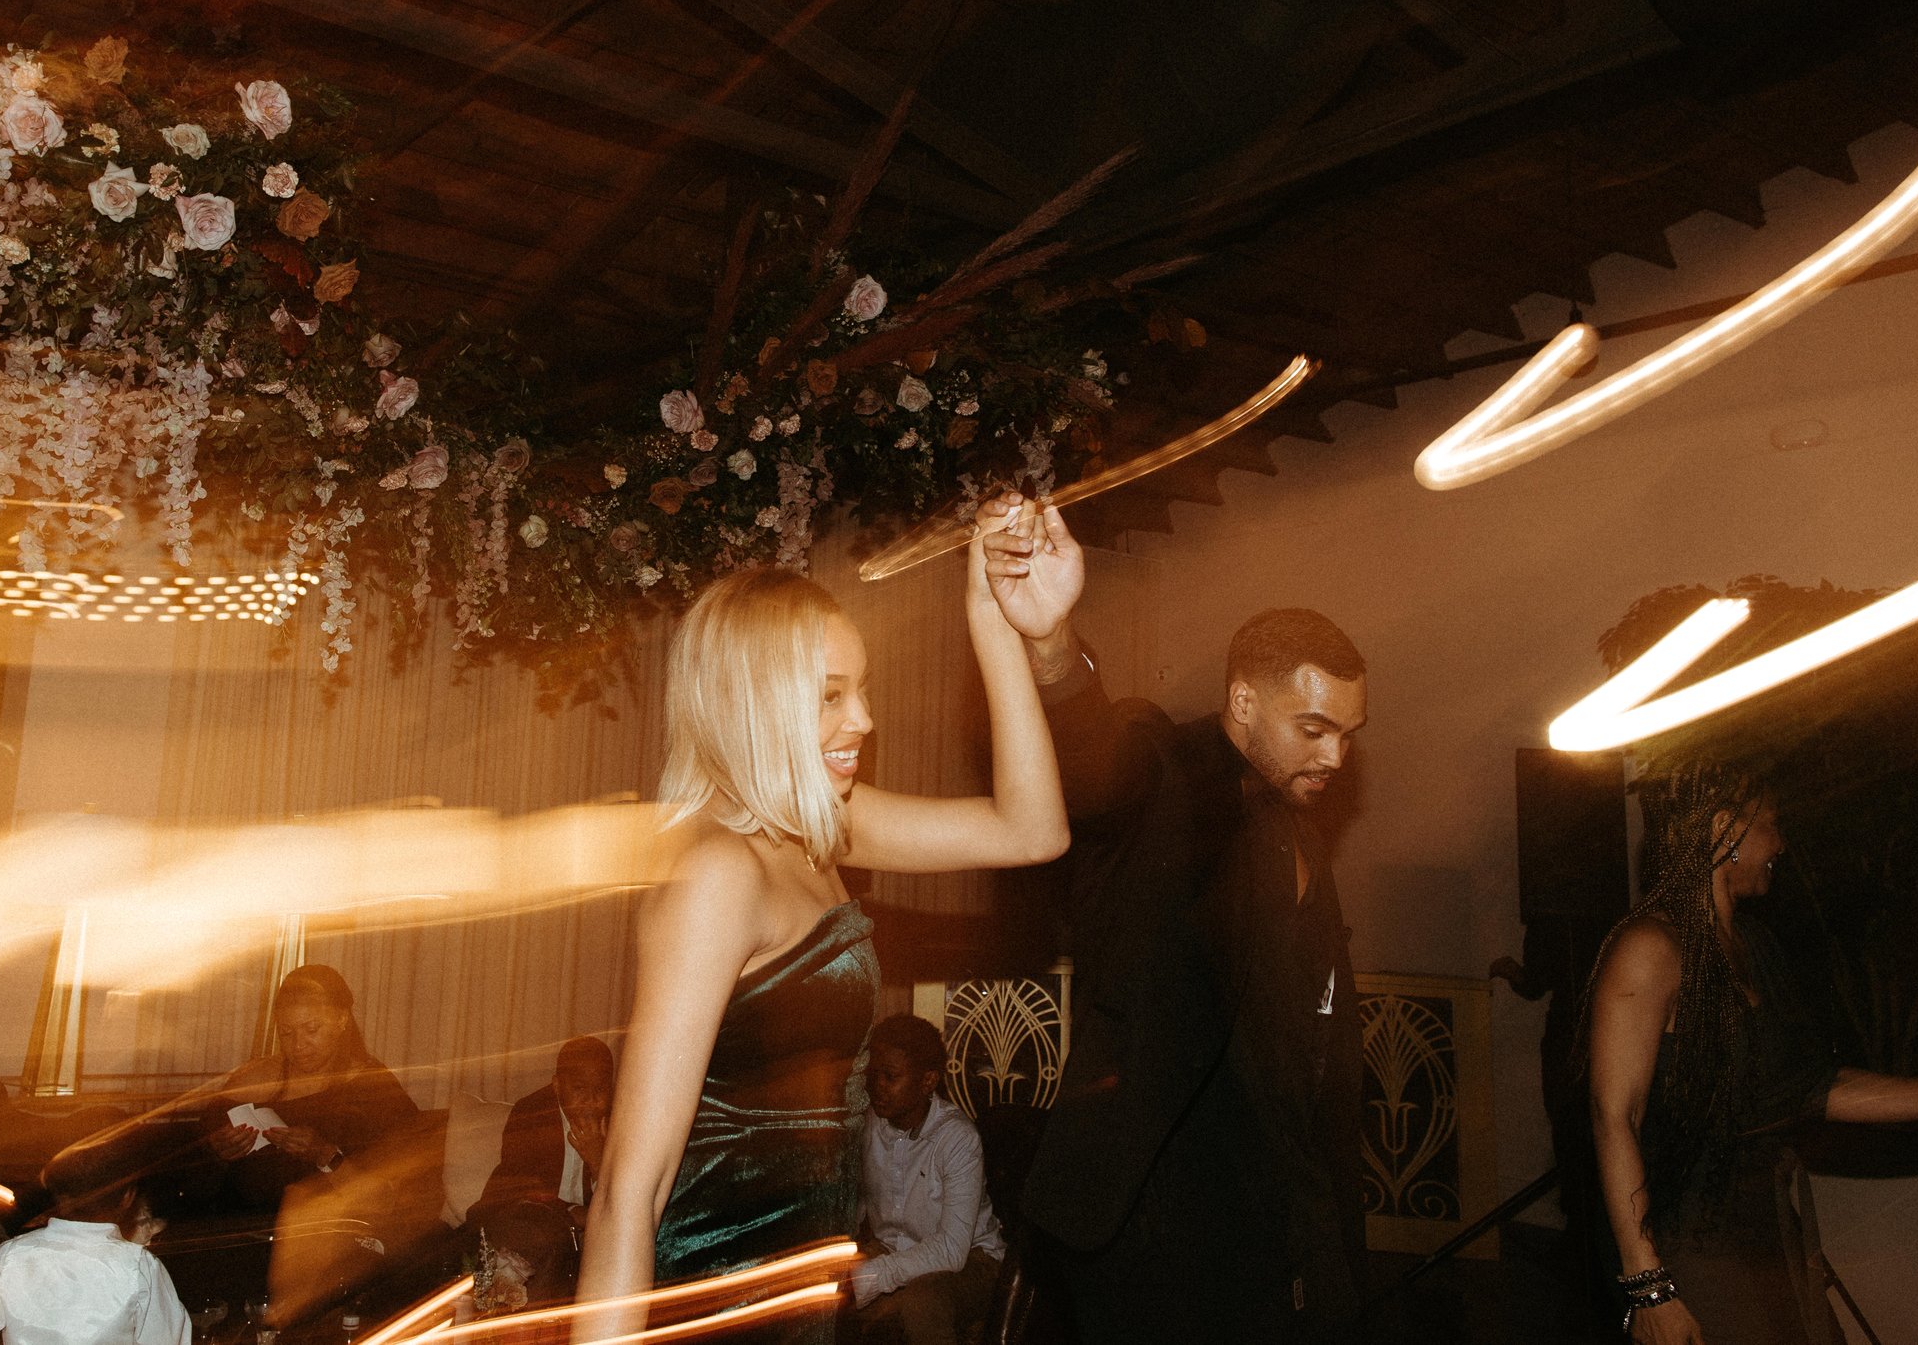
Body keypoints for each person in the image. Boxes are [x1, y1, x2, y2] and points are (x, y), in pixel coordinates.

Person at [575, 496, 1077, 1342]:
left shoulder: (822, 828)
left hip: (804, 1284)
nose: (866, 721)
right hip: (718, 1303)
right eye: (831, 696)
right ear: (754, 705)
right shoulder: (718, 872)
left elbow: (1034, 830)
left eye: (864, 689)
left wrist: (990, 616)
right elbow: (632, 1185)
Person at [985, 525, 1371, 1344]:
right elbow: (1090, 758)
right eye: (1313, 728)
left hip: (1279, 1214)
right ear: (1242, 702)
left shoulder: (1298, 819)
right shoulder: (1163, 769)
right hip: (1150, 1220)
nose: (1336, 754)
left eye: (1348, 732)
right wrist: (1051, 640)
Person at [1583, 768, 1918, 1344]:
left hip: (1763, 1229)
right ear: (1723, 830)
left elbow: (1817, 1088)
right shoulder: (1650, 948)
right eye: (1772, 826)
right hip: (1685, 1244)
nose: (1781, 844)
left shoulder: (1753, 946)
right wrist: (1649, 1286)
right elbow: (1615, 1116)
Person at [191, 965, 423, 1216]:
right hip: (238, 1224)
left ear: (341, 1020)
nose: (298, 1045)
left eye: (311, 1030)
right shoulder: (254, 1077)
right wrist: (215, 1151)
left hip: (326, 1232)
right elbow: (192, 1173)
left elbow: (391, 1197)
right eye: (287, 1033)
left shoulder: (373, 1088)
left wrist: (325, 1155)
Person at [0, 1122, 192, 1345]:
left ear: (60, 1198)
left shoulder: (11, 1255)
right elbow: (168, 1339)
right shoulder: (139, 1266)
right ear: (128, 1198)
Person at [846, 1015, 1005, 1345]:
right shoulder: (870, 1125)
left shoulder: (957, 1139)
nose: (877, 1086)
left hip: (972, 1261)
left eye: (890, 1077)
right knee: (824, 1299)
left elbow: (951, 1250)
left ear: (928, 1081)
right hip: (895, 1251)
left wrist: (875, 1276)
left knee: (922, 1302)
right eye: (873, 1074)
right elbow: (859, 1209)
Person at [466, 1035, 617, 1304]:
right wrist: (573, 1213)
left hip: (582, 1235)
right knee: (547, 1242)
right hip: (516, 1217)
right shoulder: (532, 1113)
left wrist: (598, 1160)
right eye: (579, 1089)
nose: (590, 1101)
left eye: (600, 1090)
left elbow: (623, 1202)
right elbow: (523, 1191)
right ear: (558, 1085)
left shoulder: (620, 1121)